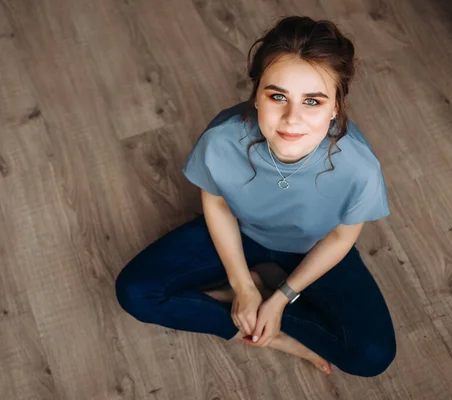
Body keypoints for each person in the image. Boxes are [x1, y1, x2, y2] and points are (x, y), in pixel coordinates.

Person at [115, 15, 396, 378]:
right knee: (135, 292)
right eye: (278, 96)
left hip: (313, 246)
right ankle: (272, 330)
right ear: (257, 94)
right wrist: (241, 285)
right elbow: (215, 203)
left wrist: (280, 298)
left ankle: (268, 315)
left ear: (336, 108)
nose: (291, 119)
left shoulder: (359, 167)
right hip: (240, 230)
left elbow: (343, 236)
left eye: (313, 101)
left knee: (373, 356)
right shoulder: (222, 139)